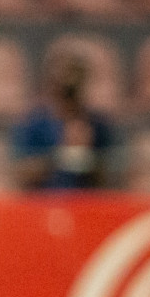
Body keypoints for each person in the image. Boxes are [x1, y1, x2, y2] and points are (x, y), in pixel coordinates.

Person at [12, 48, 115, 190]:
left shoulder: (97, 124)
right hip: (44, 203)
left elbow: (109, 175)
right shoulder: (35, 123)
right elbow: (22, 171)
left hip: (87, 202)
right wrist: (60, 155)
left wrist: (87, 156)